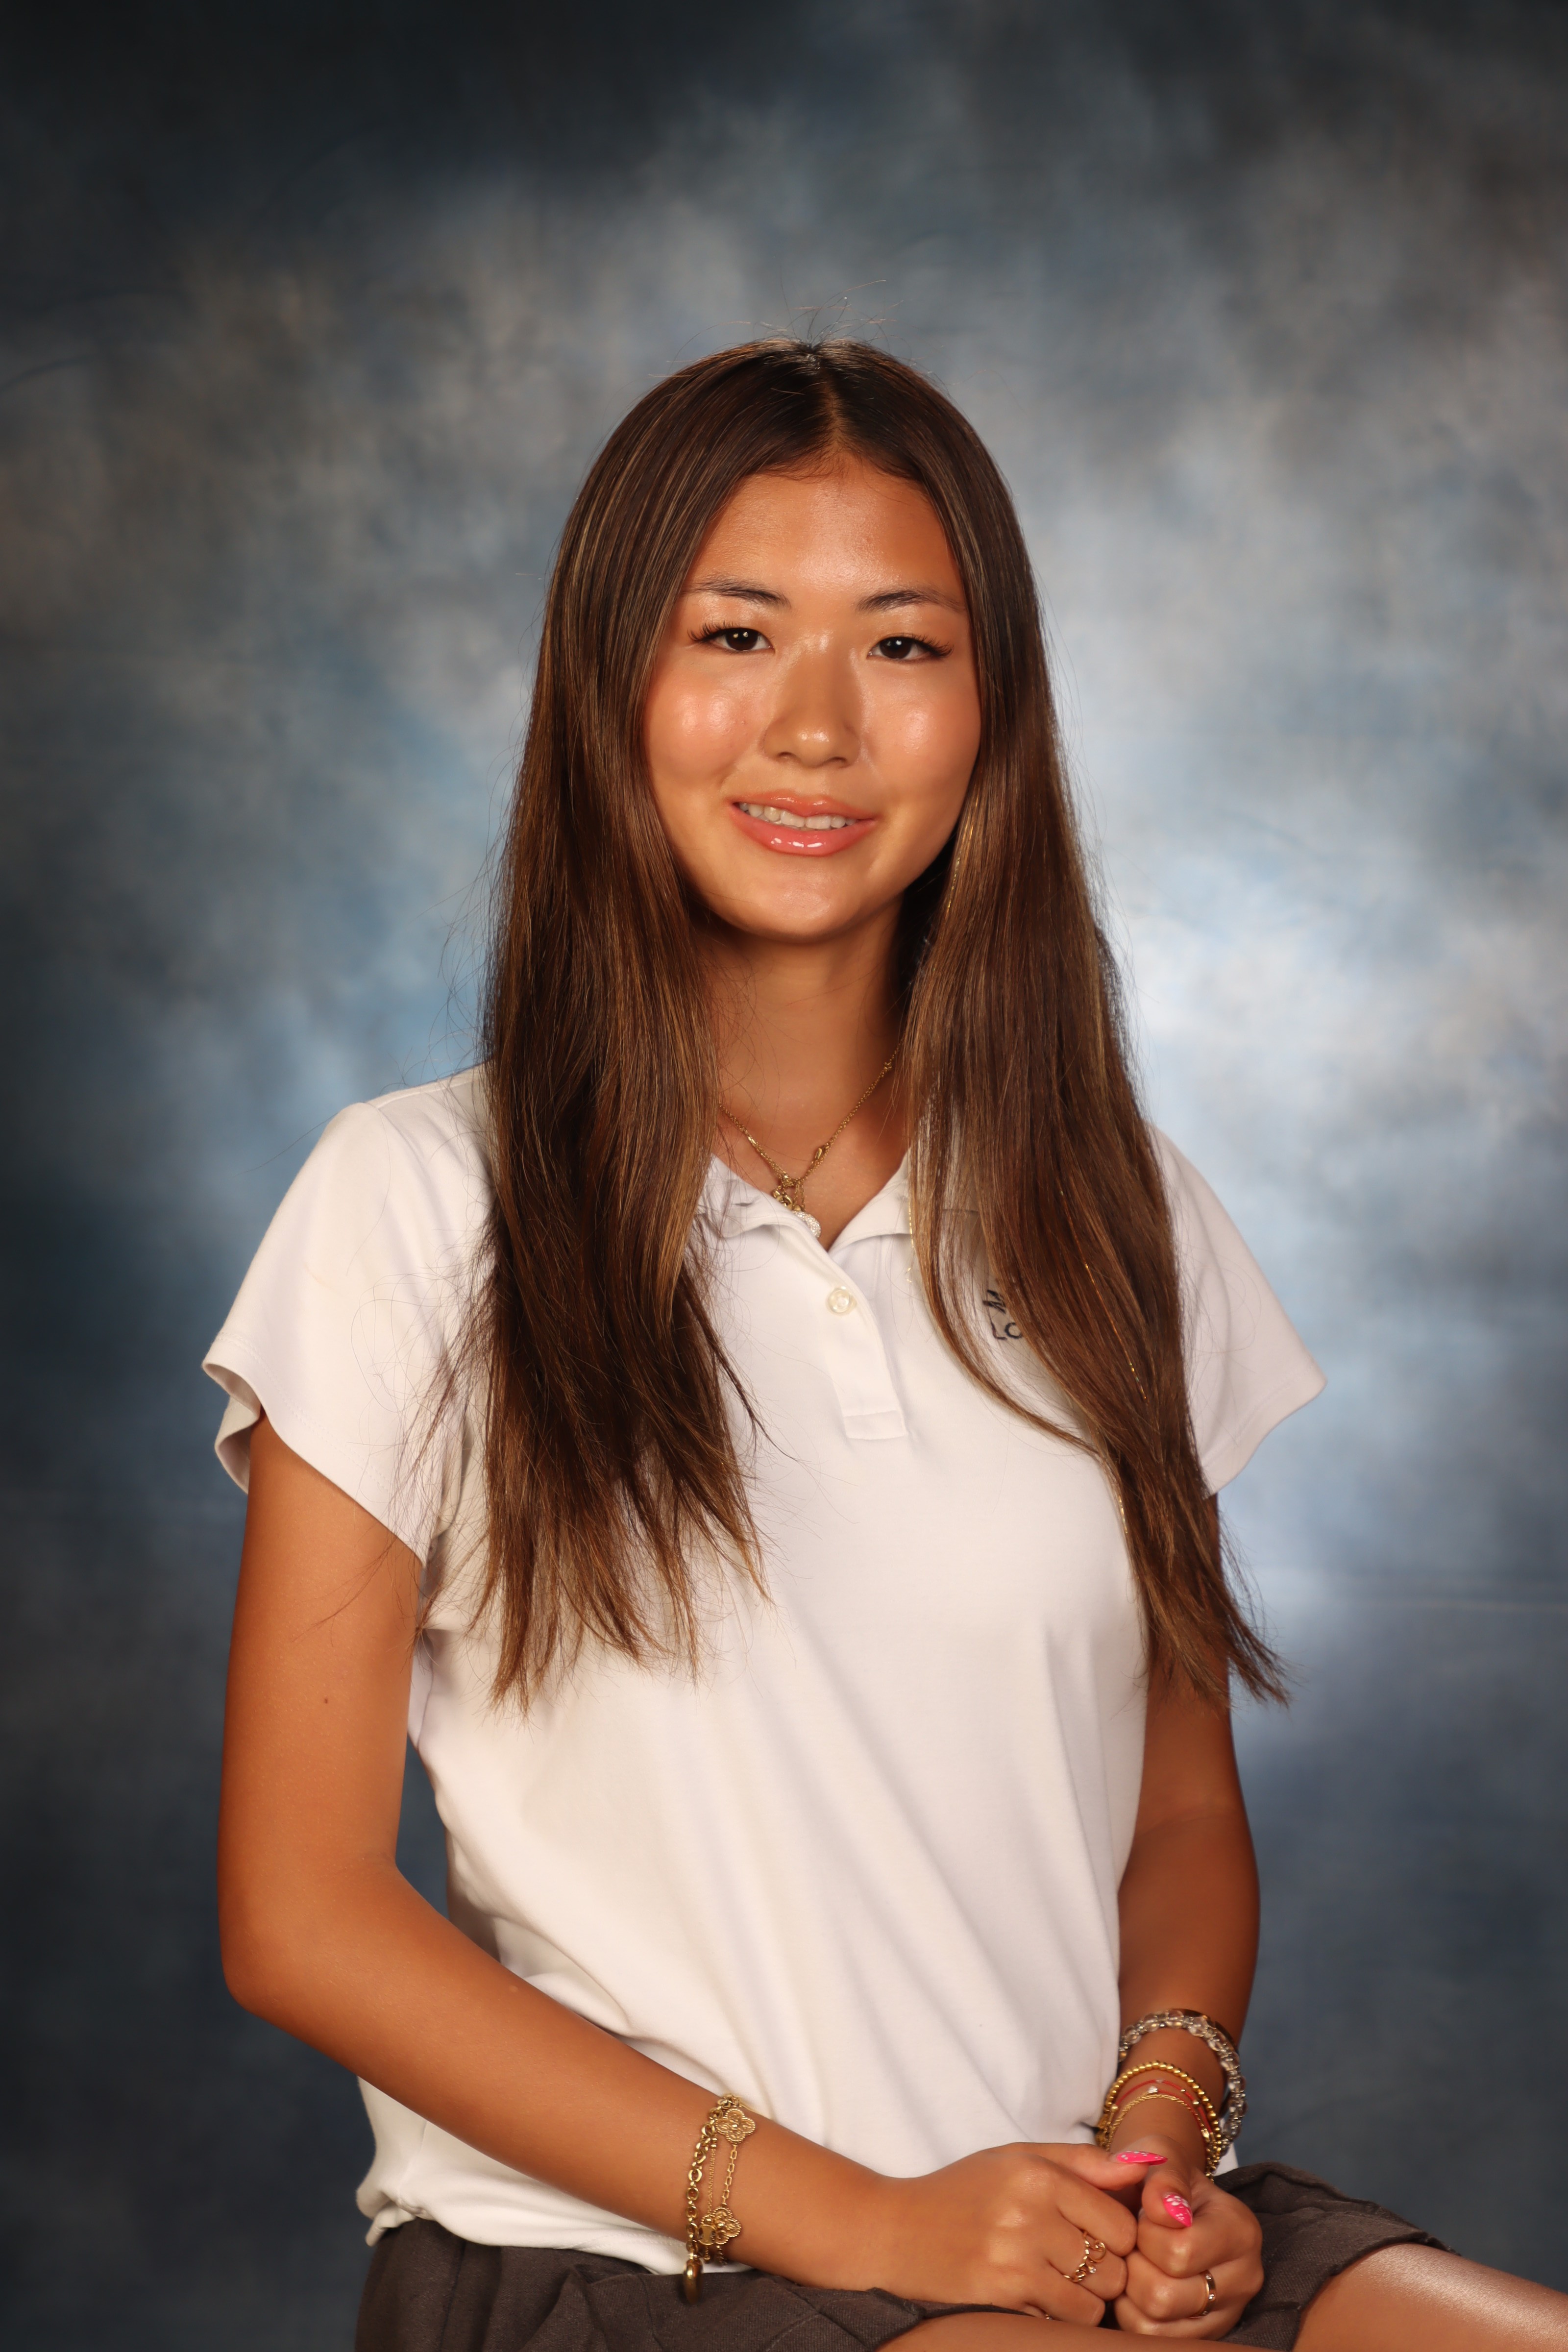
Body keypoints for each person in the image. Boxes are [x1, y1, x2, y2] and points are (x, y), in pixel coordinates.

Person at [209, 339, 1568, 2350]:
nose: (817, 727)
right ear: (610, 684)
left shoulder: (1112, 1206)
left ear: (989, 711)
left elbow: (1178, 1816)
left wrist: (1153, 2159)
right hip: (641, 2271)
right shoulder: (413, 1204)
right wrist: (864, 2221)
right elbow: (299, 1918)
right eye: (737, 633)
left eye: (903, 646)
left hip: (1047, 2240)